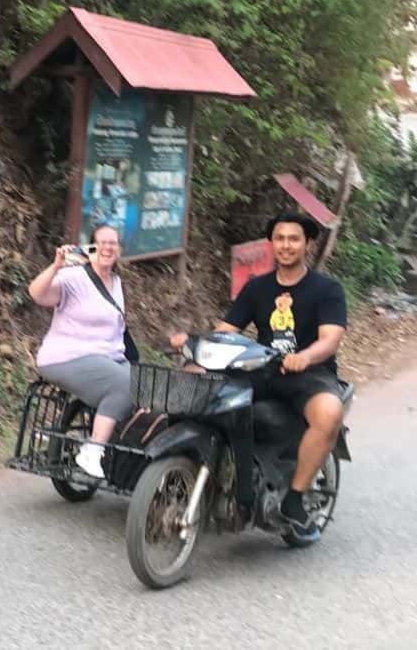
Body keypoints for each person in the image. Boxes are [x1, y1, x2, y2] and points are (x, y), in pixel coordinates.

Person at [170, 211, 347, 541]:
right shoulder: (257, 288)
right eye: (279, 238)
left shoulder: (327, 289)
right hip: (261, 370)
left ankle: (294, 501)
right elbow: (226, 331)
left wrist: (304, 357)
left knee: (330, 414)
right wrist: (194, 344)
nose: (286, 245)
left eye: (294, 239)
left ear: (307, 244)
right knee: (197, 381)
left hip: (309, 374)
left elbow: (330, 339)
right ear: (271, 244)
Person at [28, 225, 134, 478]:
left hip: (107, 358)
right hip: (66, 357)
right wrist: (56, 266)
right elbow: (37, 294)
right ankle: (93, 450)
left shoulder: (117, 283)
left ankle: (119, 455)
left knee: (146, 385)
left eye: (113, 243)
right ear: (91, 247)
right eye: (102, 243)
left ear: (119, 249)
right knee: (127, 385)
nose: (108, 248)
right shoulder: (74, 277)